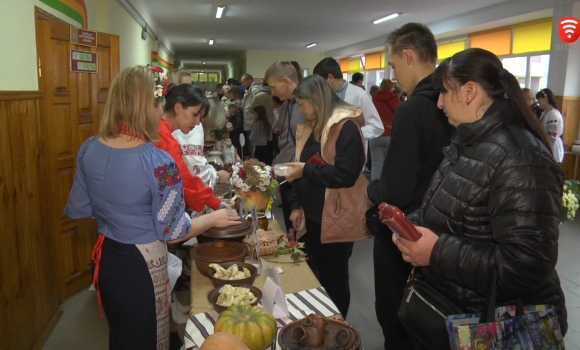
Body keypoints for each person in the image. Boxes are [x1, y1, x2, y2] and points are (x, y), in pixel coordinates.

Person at [393, 48, 567, 348]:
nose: (439, 102)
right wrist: (412, 226)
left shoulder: (519, 156)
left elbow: (527, 266)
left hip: (494, 325)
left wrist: (435, 252)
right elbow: (456, 212)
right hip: (459, 310)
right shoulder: (468, 141)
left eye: (444, 92)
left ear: (469, 92)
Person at [64, 65, 240, 350]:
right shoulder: (160, 162)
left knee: (121, 337)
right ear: (146, 105)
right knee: (147, 339)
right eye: (159, 102)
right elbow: (174, 231)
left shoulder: (89, 148)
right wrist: (215, 217)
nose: (162, 110)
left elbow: (81, 206)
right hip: (141, 267)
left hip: (106, 259)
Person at [366, 22, 456, 349]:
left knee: (396, 318)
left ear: (408, 56)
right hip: (445, 236)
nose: (393, 72)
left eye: (392, 64)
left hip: (406, 233)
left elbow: (395, 191)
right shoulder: (454, 106)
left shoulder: (413, 109)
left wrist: (372, 188)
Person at [284, 75, 370, 318]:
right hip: (311, 216)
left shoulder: (346, 128)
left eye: (302, 104)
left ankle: (336, 327)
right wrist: (296, 205)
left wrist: (306, 170)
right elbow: (301, 171)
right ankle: (316, 322)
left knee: (334, 279)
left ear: (316, 99)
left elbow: (346, 175)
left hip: (335, 217)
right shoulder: (312, 127)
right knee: (312, 274)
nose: (300, 110)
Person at [155, 84, 228, 213]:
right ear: (178, 107)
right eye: (195, 114)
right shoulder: (164, 138)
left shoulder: (162, 130)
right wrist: (218, 206)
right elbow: (185, 180)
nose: (198, 122)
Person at [265, 61, 307, 234]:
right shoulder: (287, 104)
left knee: (298, 226)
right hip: (286, 169)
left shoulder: (305, 103)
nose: (272, 92)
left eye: (274, 87)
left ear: (286, 81)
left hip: (299, 172)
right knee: (290, 222)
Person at [313, 57, 384, 144]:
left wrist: (350, 134)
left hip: (352, 149)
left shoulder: (360, 95)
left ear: (330, 78)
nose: (319, 87)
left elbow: (377, 127)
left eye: (320, 83)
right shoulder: (324, 96)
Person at [370, 79, 401, 180]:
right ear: (391, 87)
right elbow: (401, 117)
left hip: (375, 134)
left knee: (376, 165)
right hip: (390, 134)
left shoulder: (373, 99)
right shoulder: (395, 100)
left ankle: (374, 190)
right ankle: (387, 189)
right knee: (390, 165)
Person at [536, 88, 564, 162]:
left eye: (539, 99)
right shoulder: (545, 113)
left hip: (552, 149)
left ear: (545, 98)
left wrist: (546, 150)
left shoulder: (552, 114)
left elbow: (552, 137)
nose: (538, 101)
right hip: (547, 147)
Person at [241, 74, 262, 158]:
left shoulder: (254, 90)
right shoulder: (249, 90)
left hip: (252, 121)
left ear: (249, 81)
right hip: (249, 121)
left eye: (243, 82)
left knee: (251, 144)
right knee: (249, 143)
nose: (242, 84)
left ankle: (253, 162)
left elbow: (257, 105)